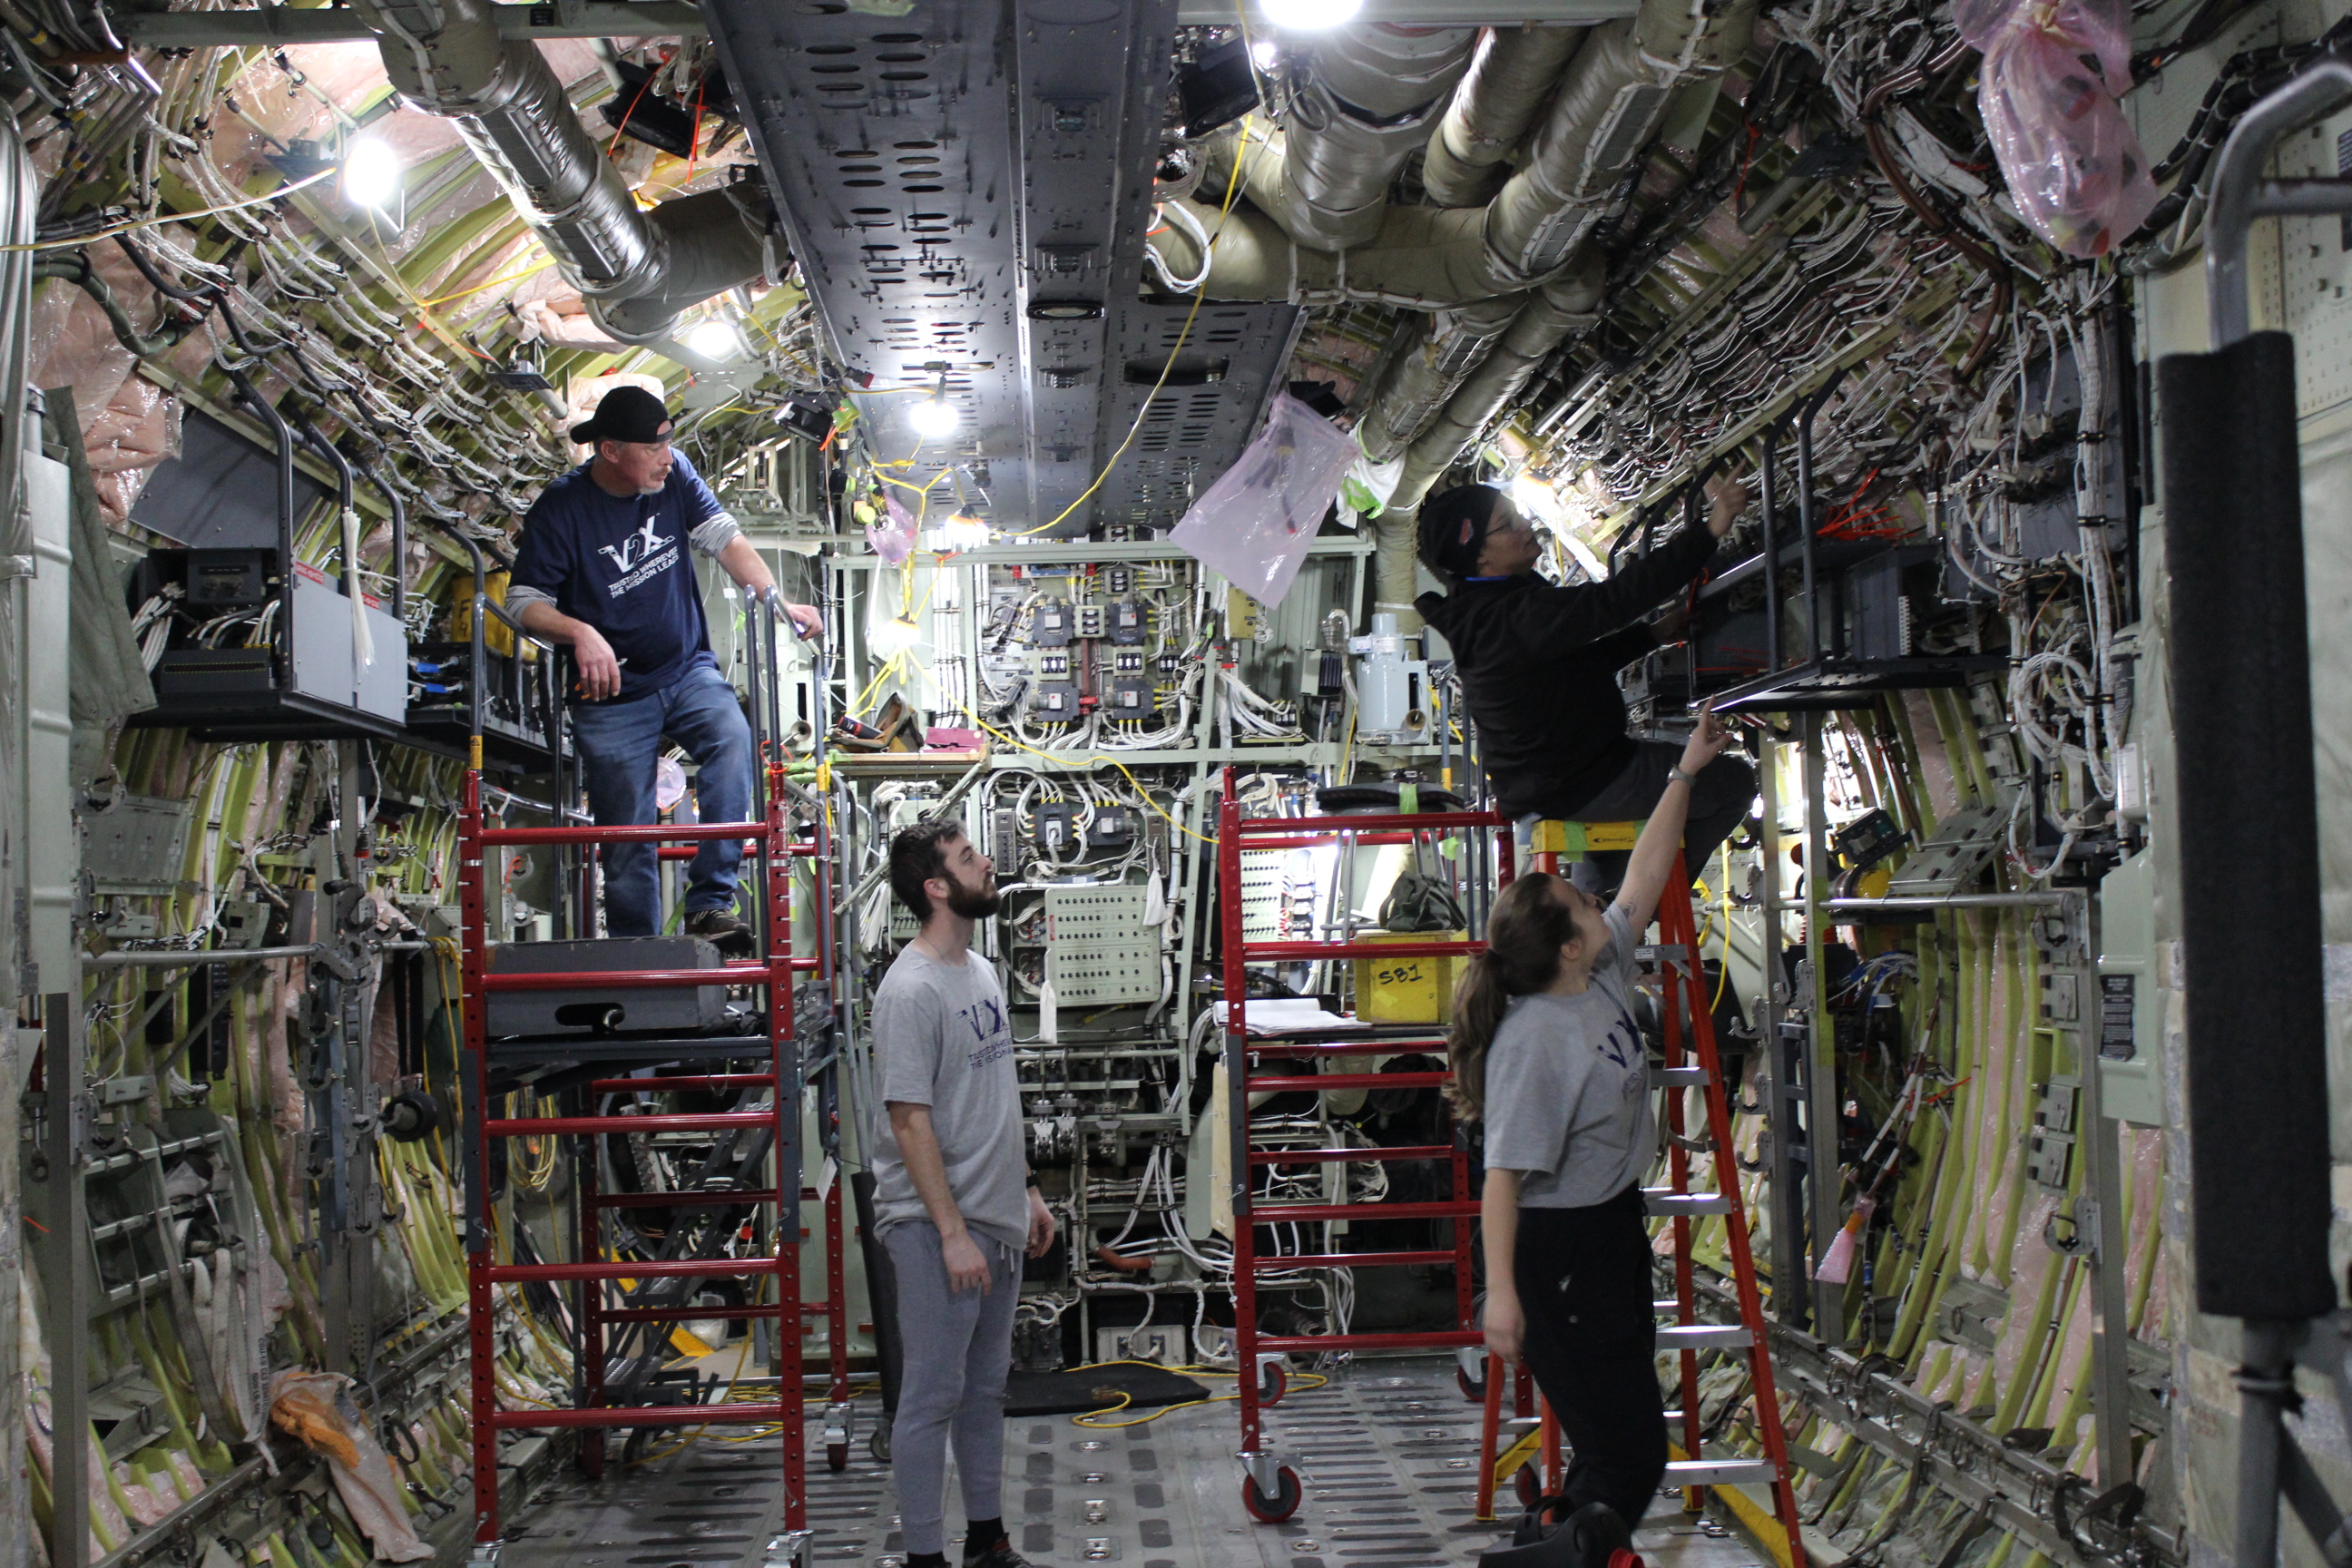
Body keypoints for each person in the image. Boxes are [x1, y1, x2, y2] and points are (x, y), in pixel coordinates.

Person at [1453, 713, 1736, 1568]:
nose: (1592, 894)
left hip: (1605, 1231)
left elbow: (1646, 881)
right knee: (1629, 1454)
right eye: (1580, 899)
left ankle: (1551, 1544)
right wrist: (1503, 1296)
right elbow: (1502, 1180)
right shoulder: (1536, 1043)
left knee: (1618, 1450)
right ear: (1568, 946)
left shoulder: (1598, 970)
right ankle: (1556, 1553)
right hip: (1554, 1255)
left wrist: (1684, 772)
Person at [506, 385, 821, 950]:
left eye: (670, 443)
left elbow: (724, 538)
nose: (667, 457)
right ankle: (641, 962)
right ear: (609, 451)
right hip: (610, 697)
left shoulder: (673, 478)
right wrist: (580, 632)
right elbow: (521, 601)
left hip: (684, 669)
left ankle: (709, 905)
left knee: (732, 741)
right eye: (653, 448)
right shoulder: (562, 509)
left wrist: (778, 601)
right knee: (628, 839)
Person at [871, 818, 1060, 1568]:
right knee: (928, 1397)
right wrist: (950, 1233)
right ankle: (924, 1556)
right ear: (937, 888)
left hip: (996, 1216)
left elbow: (994, 1100)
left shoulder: (978, 973)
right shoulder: (909, 989)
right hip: (933, 1225)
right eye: (969, 859)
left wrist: (1029, 1192)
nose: (987, 865)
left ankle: (987, 1539)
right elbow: (908, 1121)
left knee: (983, 1392)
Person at [1414, 478, 1755, 892]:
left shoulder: (1486, 612)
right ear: (1480, 555)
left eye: (1517, 512)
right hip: (1588, 780)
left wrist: (1652, 635)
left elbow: (1578, 664)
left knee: (1623, 839)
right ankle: (1646, 902)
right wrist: (1711, 529)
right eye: (1507, 523)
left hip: (1559, 785)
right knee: (1734, 781)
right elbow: (1614, 600)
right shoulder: (1511, 614)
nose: (1525, 524)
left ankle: (1608, 921)